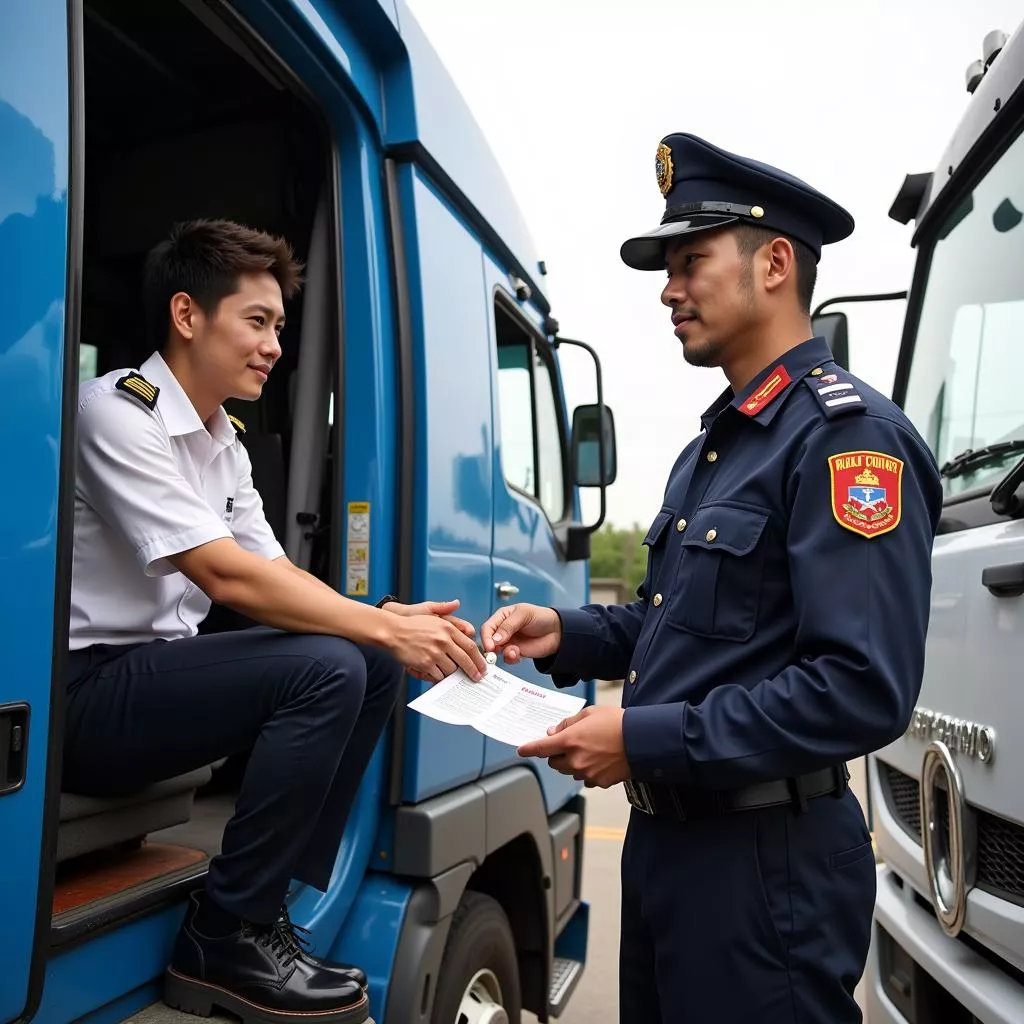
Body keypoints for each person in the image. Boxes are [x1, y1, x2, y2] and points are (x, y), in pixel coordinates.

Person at [481, 134, 942, 1023]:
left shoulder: (846, 441)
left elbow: (859, 690)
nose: (668, 288)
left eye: (690, 261)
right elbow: (681, 629)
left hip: (765, 867)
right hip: (670, 851)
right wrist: (568, 631)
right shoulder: (712, 451)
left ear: (774, 264)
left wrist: (643, 739)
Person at [64, 218, 488, 1024]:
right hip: (82, 699)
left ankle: (266, 909)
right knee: (328, 664)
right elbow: (223, 573)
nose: (273, 347)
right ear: (188, 316)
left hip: (146, 686)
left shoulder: (224, 442)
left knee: (363, 658)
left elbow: (277, 573)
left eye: (279, 328)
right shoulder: (119, 411)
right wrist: (374, 628)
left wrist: (379, 619)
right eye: (256, 322)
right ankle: (225, 934)